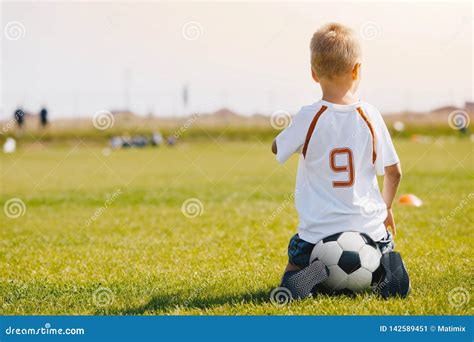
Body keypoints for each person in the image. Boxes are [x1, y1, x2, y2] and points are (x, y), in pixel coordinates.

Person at [272, 23, 409, 299]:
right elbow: (394, 172)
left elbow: (277, 148)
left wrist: (293, 142)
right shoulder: (370, 116)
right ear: (357, 70)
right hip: (369, 229)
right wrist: (386, 208)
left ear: (313, 73)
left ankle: (303, 274)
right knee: (382, 243)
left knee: (295, 261)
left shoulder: (309, 116)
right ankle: (386, 267)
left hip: (315, 235)